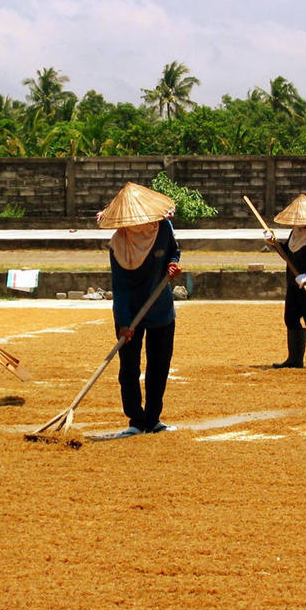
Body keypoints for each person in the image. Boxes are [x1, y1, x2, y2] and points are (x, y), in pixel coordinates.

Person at [97, 182, 182, 436]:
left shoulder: (164, 228)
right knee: (129, 368)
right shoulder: (119, 243)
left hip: (161, 308)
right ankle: (136, 419)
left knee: (159, 365)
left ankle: (153, 418)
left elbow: (174, 252)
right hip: (130, 311)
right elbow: (120, 286)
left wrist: (173, 265)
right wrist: (124, 322)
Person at [264, 194, 306, 370]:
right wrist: (274, 244)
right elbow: (287, 254)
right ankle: (294, 359)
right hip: (293, 283)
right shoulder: (295, 233)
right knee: (291, 318)